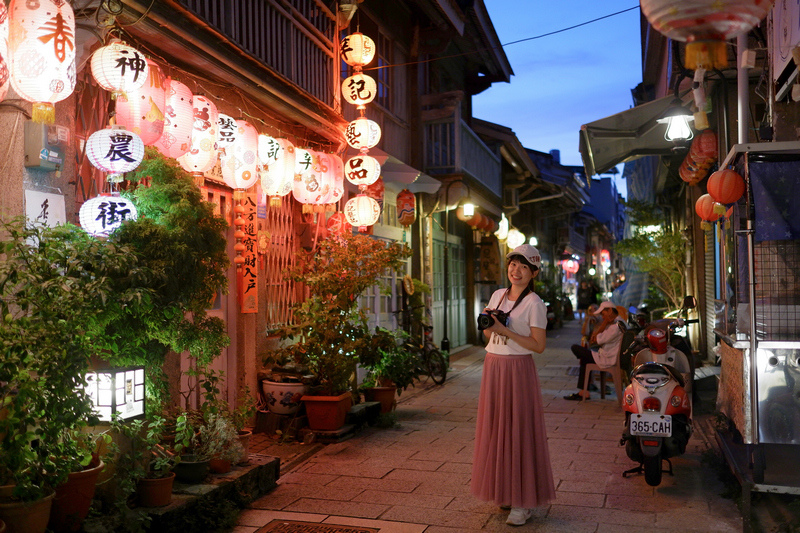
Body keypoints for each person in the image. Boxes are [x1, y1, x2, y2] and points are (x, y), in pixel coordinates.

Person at [470, 244, 555, 526]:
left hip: (518, 369)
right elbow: (487, 335)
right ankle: (505, 492)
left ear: (533, 273)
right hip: (494, 365)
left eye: (523, 267)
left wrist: (504, 329)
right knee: (496, 429)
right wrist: (488, 324)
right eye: (513, 265)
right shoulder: (497, 295)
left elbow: (539, 346)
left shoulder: (535, 304)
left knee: (519, 430)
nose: (515, 271)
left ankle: (523, 502)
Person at [564, 300, 626, 400]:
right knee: (585, 359)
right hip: (608, 356)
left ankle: (584, 391)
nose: (602, 317)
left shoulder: (615, 327)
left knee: (575, 348)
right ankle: (584, 392)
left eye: (603, 314)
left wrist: (604, 323)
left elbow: (594, 339)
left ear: (610, 310)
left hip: (608, 358)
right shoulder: (620, 323)